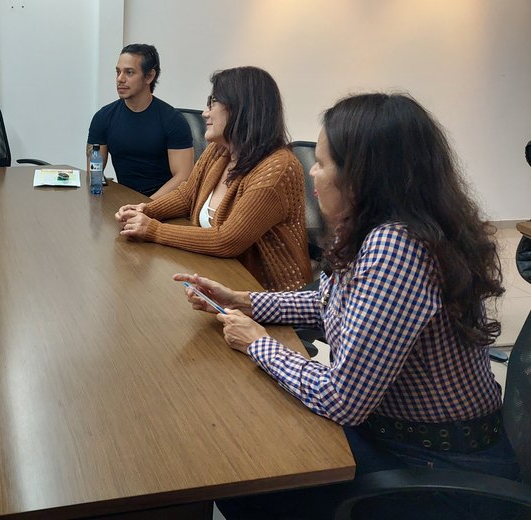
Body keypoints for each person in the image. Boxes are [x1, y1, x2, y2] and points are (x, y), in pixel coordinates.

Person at [176, 93, 521, 519]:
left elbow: (344, 399)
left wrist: (258, 343)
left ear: (363, 175)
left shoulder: (397, 247)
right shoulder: (370, 228)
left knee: (237, 474)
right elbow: (330, 304)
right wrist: (245, 301)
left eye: (321, 163)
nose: (312, 175)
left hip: (434, 469)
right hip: (395, 435)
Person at [115, 66, 311, 292]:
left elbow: (228, 240)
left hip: (266, 296)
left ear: (242, 108)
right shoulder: (219, 150)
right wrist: (144, 211)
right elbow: (186, 196)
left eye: (213, 103)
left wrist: (154, 230)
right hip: (215, 277)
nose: (205, 113)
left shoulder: (277, 168)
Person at [87, 43, 194, 198]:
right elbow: (94, 173)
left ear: (149, 76)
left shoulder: (173, 120)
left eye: (129, 72)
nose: (120, 79)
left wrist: (146, 206)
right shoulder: (103, 118)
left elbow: (183, 177)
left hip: (165, 203)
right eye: (118, 72)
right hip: (125, 200)